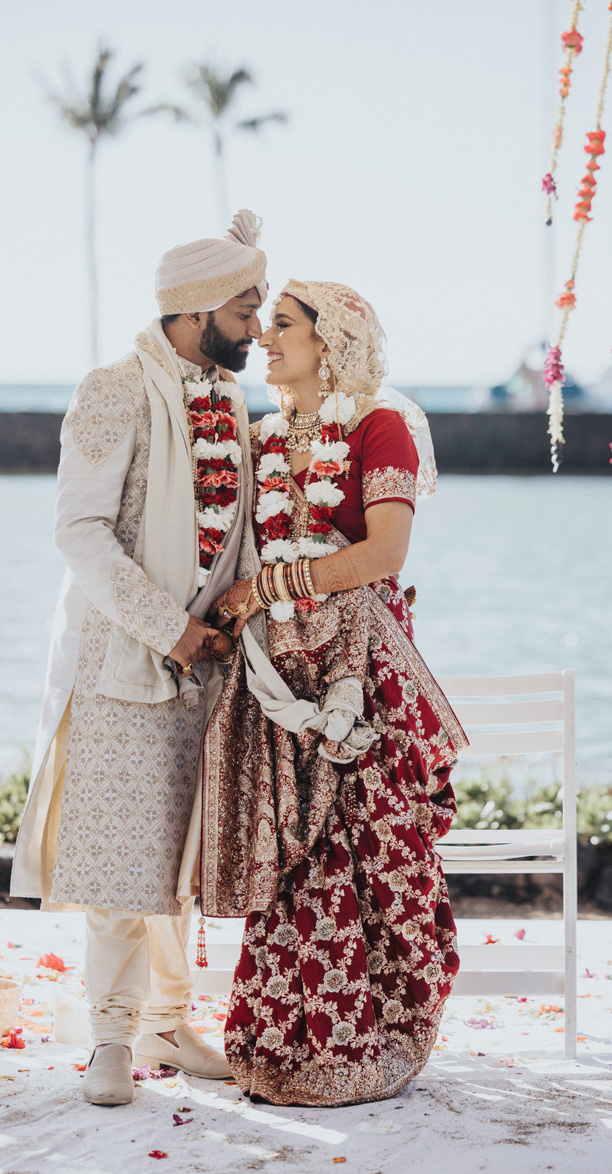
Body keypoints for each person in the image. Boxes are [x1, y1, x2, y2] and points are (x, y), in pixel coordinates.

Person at [10, 211, 268, 1106]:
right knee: (122, 861)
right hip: (126, 660)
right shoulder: (113, 387)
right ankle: (111, 1037)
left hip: (209, 668)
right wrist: (171, 628)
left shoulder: (231, 401)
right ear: (194, 310)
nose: (257, 326)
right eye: (244, 308)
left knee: (181, 856)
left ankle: (166, 1019)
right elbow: (77, 532)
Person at [202, 280, 469, 1106]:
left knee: (374, 846)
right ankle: (286, 1044)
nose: (267, 340)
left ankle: (374, 1035)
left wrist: (271, 585)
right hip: (280, 681)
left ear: (332, 341)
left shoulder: (378, 427)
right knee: (292, 855)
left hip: (365, 678)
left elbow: (383, 553)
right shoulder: (258, 437)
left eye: (283, 326)